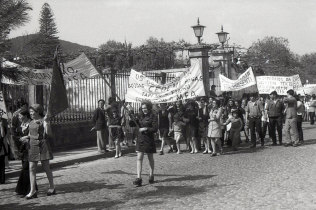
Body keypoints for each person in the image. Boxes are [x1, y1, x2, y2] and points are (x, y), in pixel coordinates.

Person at [20, 104, 55, 199]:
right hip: (33, 146)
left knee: (46, 167)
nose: (31, 114)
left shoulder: (44, 121)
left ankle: (52, 187)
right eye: (30, 112)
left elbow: (49, 134)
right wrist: (26, 137)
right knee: (31, 168)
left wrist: (47, 124)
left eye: (33, 112)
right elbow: (31, 134)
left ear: (38, 112)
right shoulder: (31, 122)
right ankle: (33, 191)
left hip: (43, 145)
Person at [133, 101, 157, 187]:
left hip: (149, 139)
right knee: (139, 158)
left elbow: (155, 128)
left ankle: (151, 175)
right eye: (142, 108)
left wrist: (145, 128)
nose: (144, 110)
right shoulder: (140, 116)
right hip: (141, 139)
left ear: (149, 108)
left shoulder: (153, 116)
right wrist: (131, 116)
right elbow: (132, 124)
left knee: (150, 158)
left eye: (145, 108)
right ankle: (138, 178)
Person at [15, 109, 38, 196]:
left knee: (26, 168)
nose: (19, 117)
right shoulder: (20, 124)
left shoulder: (32, 123)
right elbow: (17, 135)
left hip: (31, 148)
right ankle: (32, 188)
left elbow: (36, 134)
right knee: (28, 169)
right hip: (23, 149)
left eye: (20, 116)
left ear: (25, 116)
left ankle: (23, 190)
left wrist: (27, 137)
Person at [0, 116, 8, 184]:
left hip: (0, 147)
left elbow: (3, 135)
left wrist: (1, 126)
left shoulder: (2, 127)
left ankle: (2, 180)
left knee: (2, 164)